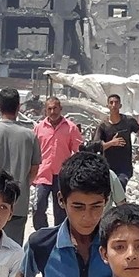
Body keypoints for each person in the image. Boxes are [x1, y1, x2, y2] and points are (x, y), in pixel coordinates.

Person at [0, 88, 42, 244]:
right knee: (12, 249)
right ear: (18, 107)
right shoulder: (30, 135)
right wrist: (21, 185)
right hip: (18, 203)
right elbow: (34, 168)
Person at [33, 97, 84, 230]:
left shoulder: (71, 128)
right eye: (49, 109)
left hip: (62, 175)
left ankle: (58, 235)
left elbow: (79, 152)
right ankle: (42, 234)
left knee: (60, 210)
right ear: (45, 110)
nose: (52, 111)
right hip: (43, 174)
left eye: (55, 108)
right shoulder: (39, 128)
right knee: (38, 206)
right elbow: (32, 152)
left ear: (60, 109)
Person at [90, 93, 139, 190]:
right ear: (107, 106)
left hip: (125, 167)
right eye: (111, 103)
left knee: (120, 186)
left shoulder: (128, 121)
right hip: (108, 167)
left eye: (116, 102)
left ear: (120, 105)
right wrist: (112, 143)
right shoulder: (103, 125)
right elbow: (96, 146)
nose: (114, 105)